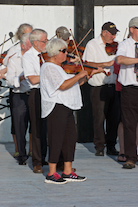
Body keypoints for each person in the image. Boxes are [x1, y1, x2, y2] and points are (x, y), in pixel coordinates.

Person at [40, 38, 103, 184]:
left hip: (67, 106)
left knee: (69, 139)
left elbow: (74, 84)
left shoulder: (60, 67)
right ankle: (51, 173)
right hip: (56, 106)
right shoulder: (48, 67)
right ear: (55, 53)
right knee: (56, 139)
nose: (67, 54)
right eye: (64, 51)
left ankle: (68, 171)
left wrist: (87, 75)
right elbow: (62, 86)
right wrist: (78, 75)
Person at [82, 22, 120, 156]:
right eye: (112, 34)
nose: (114, 37)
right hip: (98, 87)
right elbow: (87, 63)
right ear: (104, 32)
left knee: (114, 118)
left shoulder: (117, 45)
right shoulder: (92, 44)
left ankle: (111, 146)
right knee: (99, 118)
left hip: (114, 85)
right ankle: (99, 146)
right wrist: (106, 64)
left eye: (115, 33)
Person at [0, 23, 33, 158]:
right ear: (20, 36)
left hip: (33, 92)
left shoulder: (35, 51)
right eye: (27, 33)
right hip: (18, 91)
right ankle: (19, 149)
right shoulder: (14, 51)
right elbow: (5, 67)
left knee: (34, 123)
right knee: (18, 123)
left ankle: (32, 149)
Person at [22, 29, 48, 173]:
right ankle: (37, 161)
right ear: (36, 42)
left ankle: (49, 158)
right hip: (36, 92)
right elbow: (32, 78)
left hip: (49, 92)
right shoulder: (28, 57)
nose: (47, 43)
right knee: (37, 127)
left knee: (49, 127)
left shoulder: (46, 55)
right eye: (45, 41)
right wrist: (48, 74)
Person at [6, 33, 32, 165]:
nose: (32, 47)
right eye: (29, 45)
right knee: (20, 126)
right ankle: (21, 154)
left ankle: (39, 156)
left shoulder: (37, 58)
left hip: (34, 94)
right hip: (19, 95)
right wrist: (20, 78)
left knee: (38, 126)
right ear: (22, 46)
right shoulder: (14, 60)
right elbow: (9, 80)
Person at [116, 16, 138, 169]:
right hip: (130, 89)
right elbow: (120, 59)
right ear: (132, 29)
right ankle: (131, 157)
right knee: (129, 123)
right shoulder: (125, 44)